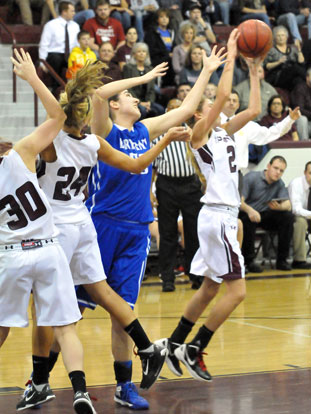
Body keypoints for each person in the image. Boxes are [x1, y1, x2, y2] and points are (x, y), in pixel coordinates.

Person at [22, 61, 194, 409]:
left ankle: (42, 382)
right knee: (100, 294)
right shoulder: (94, 143)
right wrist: (165, 140)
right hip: (87, 224)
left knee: (52, 314)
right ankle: (146, 346)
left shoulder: (49, 142)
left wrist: (33, 78)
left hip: (58, 229)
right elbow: (134, 164)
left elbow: (57, 113)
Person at [84, 45, 226, 409]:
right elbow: (99, 94)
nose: (136, 98)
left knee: (123, 312)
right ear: (117, 105)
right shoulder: (103, 128)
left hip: (137, 230)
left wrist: (207, 70)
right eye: (129, 96)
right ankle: (39, 376)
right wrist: (145, 77)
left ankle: (123, 386)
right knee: (73, 308)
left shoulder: (145, 129)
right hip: (101, 227)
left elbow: (184, 110)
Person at [155, 28, 262, 381]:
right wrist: (230, 58)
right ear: (201, 114)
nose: (219, 106)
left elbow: (254, 108)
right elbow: (226, 94)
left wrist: (255, 69)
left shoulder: (224, 132)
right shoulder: (200, 134)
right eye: (211, 106)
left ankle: (174, 343)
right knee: (239, 291)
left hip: (218, 217)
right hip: (217, 217)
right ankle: (196, 347)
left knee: (210, 288)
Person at [2, 48, 96, 414]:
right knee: (65, 328)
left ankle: (40, 387)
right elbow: (58, 115)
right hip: (49, 247)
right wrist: (31, 78)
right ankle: (81, 391)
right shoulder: (21, 153)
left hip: (12, 255)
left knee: (2, 328)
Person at [152, 98, 203, 292]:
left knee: (194, 233)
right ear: (166, 111)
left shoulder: (192, 132)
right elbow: (152, 166)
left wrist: (203, 182)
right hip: (166, 186)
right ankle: (167, 278)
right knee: (167, 234)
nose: (175, 111)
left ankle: (196, 275)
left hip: (191, 185)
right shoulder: (158, 134)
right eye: (172, 108)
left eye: (179, 109)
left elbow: (200, 161)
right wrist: (149, 191)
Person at [240, 156, 295, 272]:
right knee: (247, 220)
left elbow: (288, 204)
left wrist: (280, 207)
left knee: (288, 217)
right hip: (247, 212)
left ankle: (282, 260)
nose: (278, 172)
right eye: (276, 168)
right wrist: (251, 211)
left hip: (265, 214)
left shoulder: (279, 183)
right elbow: (239, 202)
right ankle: (249, 261)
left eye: (281, 171)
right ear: (268, 166)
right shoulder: (252, 177)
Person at [39, 1, 80, 88]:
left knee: (78, 60)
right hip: (55, 54)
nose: (74, 13)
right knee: (56, 59)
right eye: (72, 11)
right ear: (64, 12)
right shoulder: (51, 25)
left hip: (70, 54)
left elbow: (77, 44)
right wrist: (43, 63)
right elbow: (44, 44)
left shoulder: (75, 26)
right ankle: (55, 88)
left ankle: (76, 89)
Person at [122, 42, 165, 118]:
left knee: (160, 110)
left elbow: (152, 89)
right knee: (142, 111)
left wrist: (149, 102)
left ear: (147, 54)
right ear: (134, 54)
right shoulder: (128, 68)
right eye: (139, 51)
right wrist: (140, 103)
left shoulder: (150, 69)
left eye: (144, 51)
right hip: (133, 99)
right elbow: (129, 88)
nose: (141, 54)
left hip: (147, 101)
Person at [264, 25, 305, 91]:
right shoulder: (271, 50)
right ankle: (308, 78)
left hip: (291, 76)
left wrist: (299, 50)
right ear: (274, 38)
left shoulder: (293, 49)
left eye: (283, 35)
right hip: (278, 76)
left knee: (299, 81)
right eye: (278, 36)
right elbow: (266, 66)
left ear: (286, 37)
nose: (281, 38)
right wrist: (278, 62)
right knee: (295, 67)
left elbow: (301, 62)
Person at [144, 8, 176, 87]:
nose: (164, 19)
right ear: (157, 19)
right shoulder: (152, 32)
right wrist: (167, 54)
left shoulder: (171, 32)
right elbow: (151, 49)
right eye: (162, 17)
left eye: (166, 17)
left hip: (170, 59)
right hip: (157, 59)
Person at [288, 162, 311, 269]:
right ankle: (299, 260)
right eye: (310, 173)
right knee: (300, 222)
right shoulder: (296, 183)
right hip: (297, 216)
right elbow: (296, 209)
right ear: (305, 173)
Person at [291, 68, 311, 140]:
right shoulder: (300, 88)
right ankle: (304, 144)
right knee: (303, 119)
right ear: (307, 77)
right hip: (298, 120)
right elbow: (300, 109)